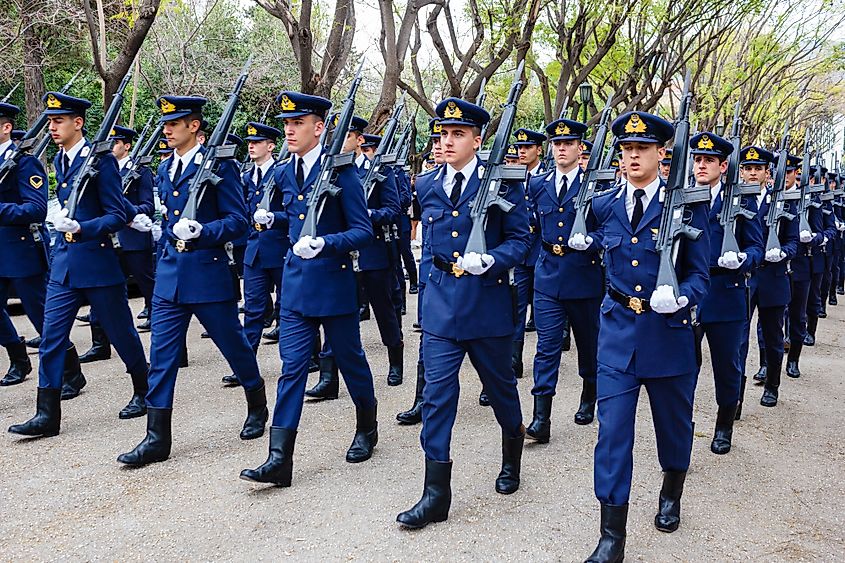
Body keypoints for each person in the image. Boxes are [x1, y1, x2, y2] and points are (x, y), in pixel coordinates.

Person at [396, 97, 529, 529]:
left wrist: (492, 259)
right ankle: (435, 494)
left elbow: (522, 241)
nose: (448, 141)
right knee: (437, 398)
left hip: (486, 304)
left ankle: (512, 456)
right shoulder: (428, 184)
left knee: (502, 392)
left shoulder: (504, 186)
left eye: (458, 134)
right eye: (443, 134)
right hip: (440, 306)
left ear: (477, 139)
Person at [585, 111, 710, 562]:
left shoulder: (690, 206)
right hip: (618, 332)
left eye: (642, 149)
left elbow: (701, 274)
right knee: (612, 432)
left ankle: (672, 489)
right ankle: (611, 536)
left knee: (673, 428)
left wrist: (681, 298)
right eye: (626, 149)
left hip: (669, 334)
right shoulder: (604, 205)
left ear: (663, 153)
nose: (632, 156)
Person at [117, 95, 268, 466]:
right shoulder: (165, 168)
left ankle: (257, 402)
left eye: (174, 124)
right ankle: (156, 438)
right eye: (165, 124)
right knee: (162, 357)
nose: (166, 130)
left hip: (207, 274)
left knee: (233, 346)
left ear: (194, 127)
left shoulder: (220, 166)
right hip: (170, 275)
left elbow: (238, 221)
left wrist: (203, 230)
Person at [240, 91, 378, 487]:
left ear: (319, 128)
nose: (289, 130)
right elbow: (295, 215)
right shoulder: (284, 172)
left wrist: (325, 242)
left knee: (351, 363)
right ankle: (278, 458)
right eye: (286, 124)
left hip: (333, 287)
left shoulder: (342, 173)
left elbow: (362, 231)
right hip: (297, 287)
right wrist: (274, 219)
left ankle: (367, 428)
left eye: (297, 123)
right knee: (292, 369)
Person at [9, 92, 150, 438]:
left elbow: (118, 214)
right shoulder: (60, 160)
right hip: (65, 266)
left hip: (98, 264)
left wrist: (83, 228)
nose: (52, 127)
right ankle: (47, 413)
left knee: (122, 334)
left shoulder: (101, 161)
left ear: (78, 123)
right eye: (51, 121)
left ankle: (144, 390)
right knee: (51, 338)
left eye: (59, 121)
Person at [307, 116, 403, 398]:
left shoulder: (380, 171)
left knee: (383, 309)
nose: (338, 140)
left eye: (346, 135)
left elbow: (393, 209)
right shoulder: (330, 171)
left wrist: (365, 214)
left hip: (372, 251)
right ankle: (329, 377)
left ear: (360, 140)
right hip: (341, 253)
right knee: (333, 313)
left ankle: (394, 361)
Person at [525, 117, 603, 444]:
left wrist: (593, 241)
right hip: (547, 275)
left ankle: (589, 395)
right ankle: (541, 418)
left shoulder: (595, 186)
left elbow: (609, 230)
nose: (561, 149)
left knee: (588, 345)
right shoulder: (539, 184)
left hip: (584, 277)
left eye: (568, 143)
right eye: (557, 144)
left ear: (580, 148)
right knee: (546, 347)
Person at [692, 137, 763, 455]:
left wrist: (743, 260)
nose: (701, 165)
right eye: (697, 160)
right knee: (682, 366)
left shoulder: (742, 202)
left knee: (727, 366)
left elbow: (757, 247)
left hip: (727, 292)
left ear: (723, 166)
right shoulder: (683, 200)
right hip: (689, 297)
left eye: (709, 161)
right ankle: (682, 426)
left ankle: (723, 425)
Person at [222, 121, 286, 387]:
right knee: (253, 309)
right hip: (254, 251)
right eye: (250, 143)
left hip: (281, 249)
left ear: (270, 146)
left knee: (294, 306)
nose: (251, 146)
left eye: (257, 142)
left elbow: (297, 214)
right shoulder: (247, 177)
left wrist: (274, 218)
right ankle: (246, 366)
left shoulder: (283, 174)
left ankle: (312, 356)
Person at [396, 118, 444, 425]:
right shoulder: (426, 184)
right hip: (431, 272)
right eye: (436, 141)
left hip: (470, 278)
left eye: (448, 138)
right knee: (428, 338)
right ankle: (421, 399)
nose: (440, 146)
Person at [0, 101, 49, 387]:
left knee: (40, 315)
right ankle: (19, 358)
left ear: (6, 128)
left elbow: (36, 209)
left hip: (20, 250)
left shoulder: (23, 162)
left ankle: (69, 371)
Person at [750, 153, 800, 407]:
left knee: (773, 336)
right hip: (745, 279)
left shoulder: (784, 204)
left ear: (767, 174)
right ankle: (734, 394)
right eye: (747, 168)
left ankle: (772, 385)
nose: (751, 173)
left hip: (774, 277)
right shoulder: (736, 202)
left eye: (757, 168)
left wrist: (782, 252)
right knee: (736, 341)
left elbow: (794, 242)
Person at [510, 128, 545, 379]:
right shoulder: (512, 178)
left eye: (527, 148)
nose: (522, 152)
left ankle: (544, 365)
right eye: (520, 148)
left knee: (544, 315)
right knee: (515, 311)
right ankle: (513, 363)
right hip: (520, 257)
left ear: (539, 150)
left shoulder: (548, 178)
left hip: (543, 255)